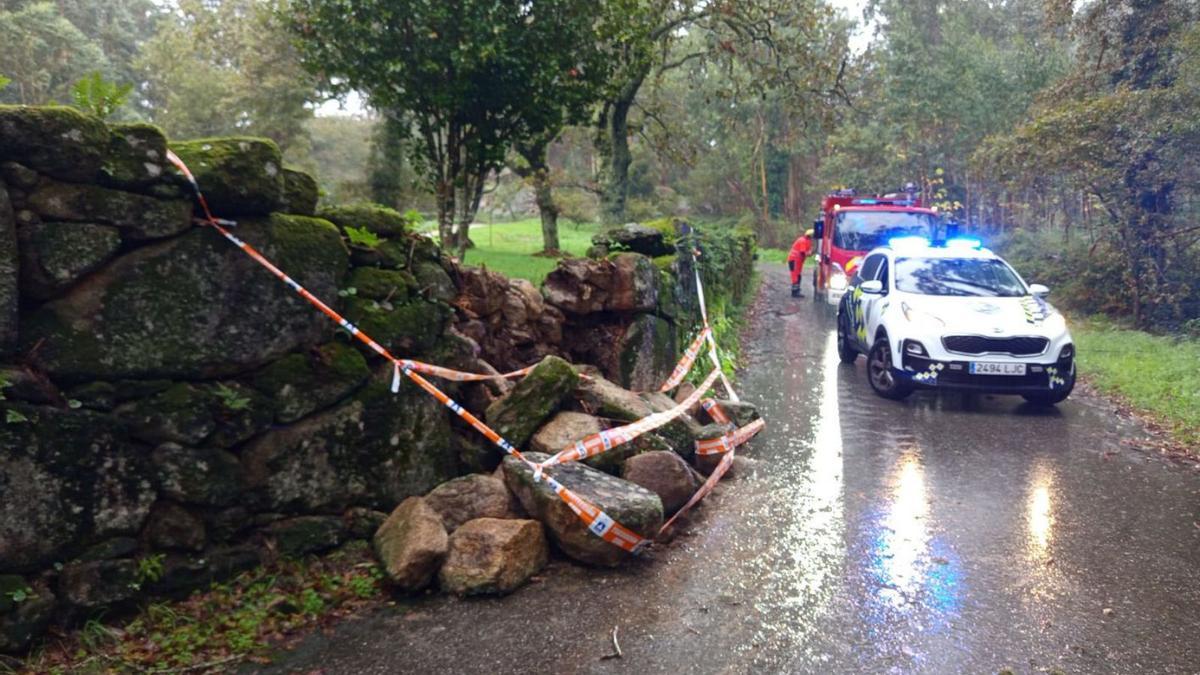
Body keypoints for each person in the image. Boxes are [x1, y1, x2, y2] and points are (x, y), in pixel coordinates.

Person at [787, 229, 813, 297]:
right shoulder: (803, 241)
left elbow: (808, 251)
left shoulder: (808, 241)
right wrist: (809, 254)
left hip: (798, 260)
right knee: (795, 276)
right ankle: (795, 292)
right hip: (794, 259)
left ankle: (797, 290)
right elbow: (803, 252)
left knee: (798, 276)